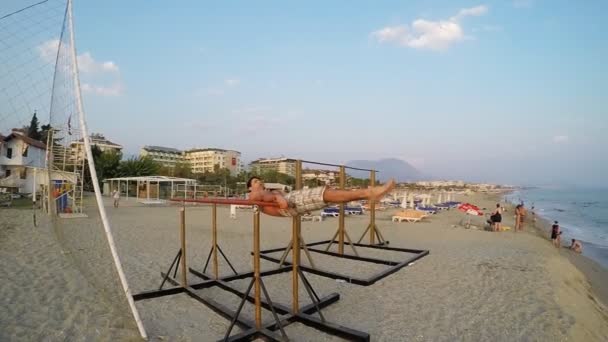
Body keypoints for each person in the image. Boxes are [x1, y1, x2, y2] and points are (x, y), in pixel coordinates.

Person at [247, 176, 396, 217]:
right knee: (326, 194)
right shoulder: (255, 192)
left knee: (329, 195)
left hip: (290, 206)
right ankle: (370, 193)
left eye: (259, 179)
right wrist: (277, 198)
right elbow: (264, 197)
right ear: (249, 187)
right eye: (255, 181)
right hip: (289, 202)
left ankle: (369, 195)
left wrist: (277, 197)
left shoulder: (262, 193)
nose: (258, 181)